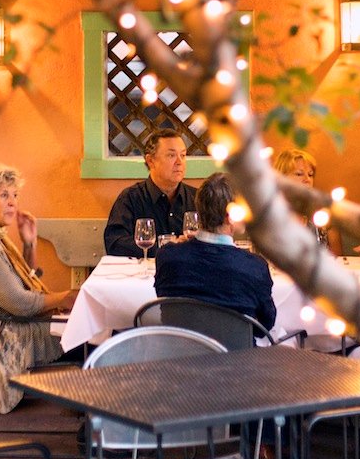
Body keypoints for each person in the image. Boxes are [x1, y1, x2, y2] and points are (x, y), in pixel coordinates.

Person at [0, 163, 79, 413]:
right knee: (97, 337)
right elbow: (20, 304)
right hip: (10, 333)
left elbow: (22, 284)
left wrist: (29, 245)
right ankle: (99, 416)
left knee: (95, 330)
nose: (12, 202)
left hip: (18, 323)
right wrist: (66, 298)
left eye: (15, 195)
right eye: (4, 195)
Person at [154, 172, 277, 330]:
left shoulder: (167, 257)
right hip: (234, 346)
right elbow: (265, 325)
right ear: (230, 217)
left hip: (179, 345)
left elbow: (167, 309)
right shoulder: (254, 267)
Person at [104, 128, 197, 257]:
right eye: (171, 155)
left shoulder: (198, 198)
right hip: (144, 269)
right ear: (151, 161)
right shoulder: (130, 198)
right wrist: (164, 246)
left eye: (183, 155)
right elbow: (115, 243)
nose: (179, 162)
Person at [272, 148, 342, 255]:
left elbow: (338, 258)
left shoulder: (323, 214)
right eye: (299, 174)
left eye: (310, 175)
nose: (307, 179)